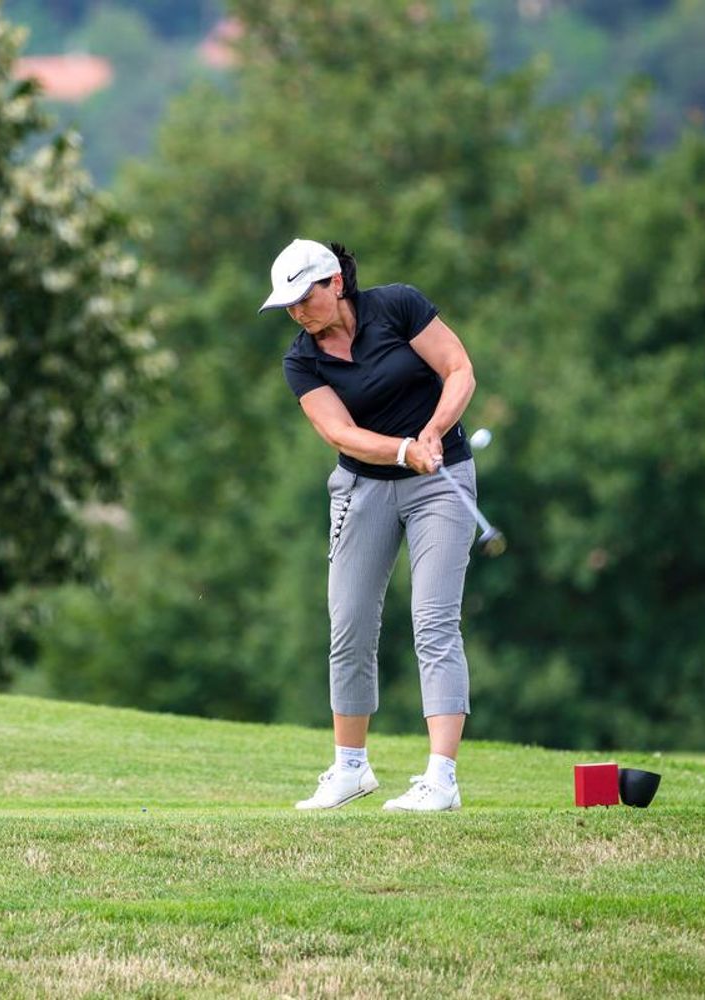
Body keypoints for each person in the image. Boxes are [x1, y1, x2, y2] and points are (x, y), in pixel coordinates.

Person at [260, 238, 478, 812]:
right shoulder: (301, 360)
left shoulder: (398, 305)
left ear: (335, 282)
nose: (296, 312)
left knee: (434, 622)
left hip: (441, 480)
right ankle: (350, 768)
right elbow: (339, 434)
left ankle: (442, 778)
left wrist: (434, 431)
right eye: (287, 305)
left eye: (303, 298)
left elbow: (458, 369)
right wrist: (404, 449)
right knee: (350, 625)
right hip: (362, 488)